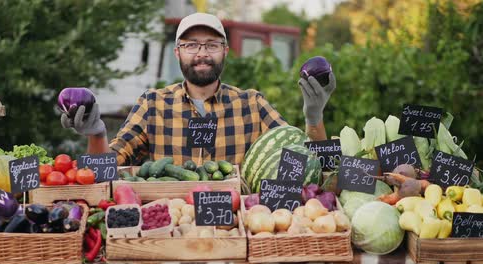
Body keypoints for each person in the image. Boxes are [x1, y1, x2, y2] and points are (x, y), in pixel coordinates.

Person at [61, 13, 336, 166]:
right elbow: (103, 170)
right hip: (170, 234)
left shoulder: (252, 104)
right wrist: (97, 134)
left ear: (225, 51)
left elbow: (309, 164)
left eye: (212, 45)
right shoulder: (152, 105)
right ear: (177, 52)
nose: (202, 53)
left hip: (238, 230)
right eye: (192, 45)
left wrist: (314, 119)